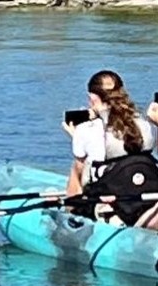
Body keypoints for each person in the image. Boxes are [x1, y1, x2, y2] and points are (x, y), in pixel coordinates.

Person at [63, 70, 156, 200]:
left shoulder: (86, 130)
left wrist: (77, 138)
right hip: (147, 189)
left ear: (92, 98)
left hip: (110, 198)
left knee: (77, 168)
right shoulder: (147, 125)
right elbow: (126, 144)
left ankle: (70, 209)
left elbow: (83, 165)